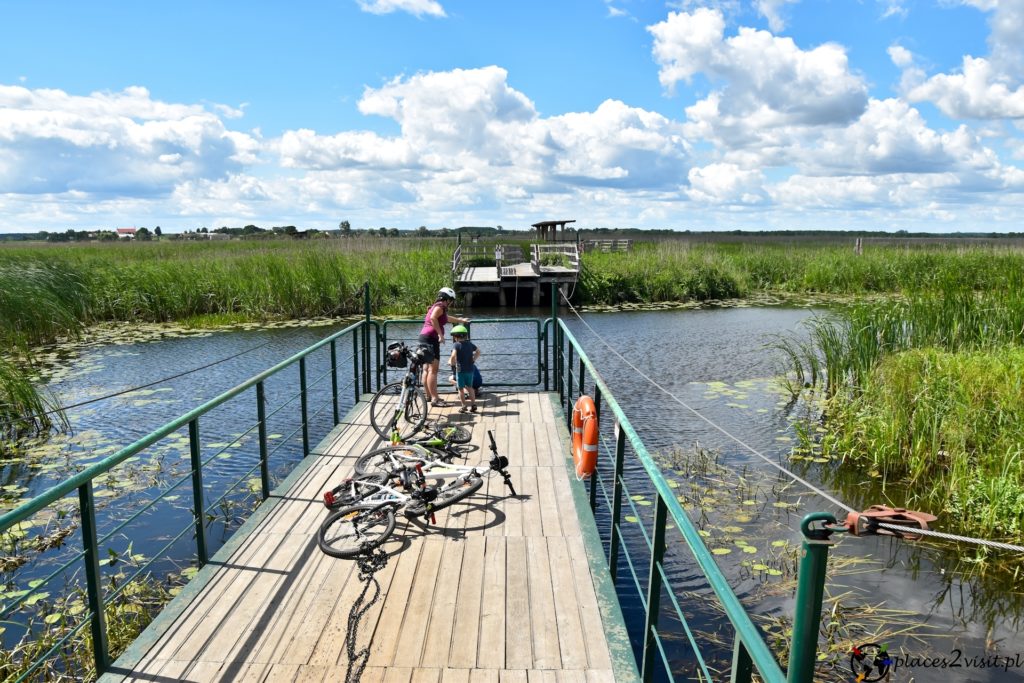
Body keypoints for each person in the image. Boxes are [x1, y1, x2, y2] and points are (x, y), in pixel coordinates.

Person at [418, 287, 469, 407]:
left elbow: (446, 318)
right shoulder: (440, 306)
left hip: (423, 337)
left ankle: (429, 396)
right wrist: (440, 335)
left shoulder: (436, 306)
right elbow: (433, 318)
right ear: (447, 299)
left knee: (426, 369)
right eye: (451, 300)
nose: (451, 303)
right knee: (433, 370)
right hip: (431, 339)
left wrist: (460, 320)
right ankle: (435, 399)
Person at [448, 325, 480, 413]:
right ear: (465, 335)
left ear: (455, 337)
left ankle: (464, 406)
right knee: (470, 387)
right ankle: (473, 404)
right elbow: (478, 351)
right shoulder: (470, 344)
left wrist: (451, 362)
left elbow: (453, 355)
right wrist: (473, 359)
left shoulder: (456, 345)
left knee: (461, 389)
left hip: (460, 371)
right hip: (470, 369)